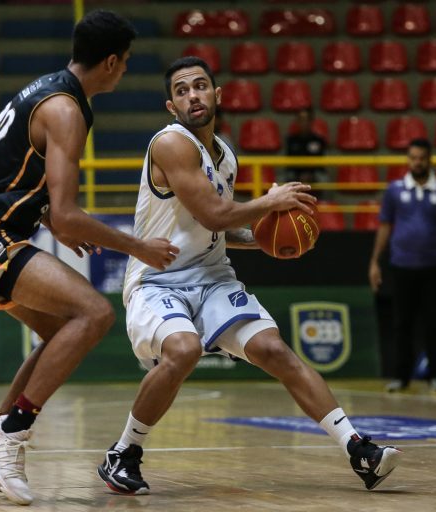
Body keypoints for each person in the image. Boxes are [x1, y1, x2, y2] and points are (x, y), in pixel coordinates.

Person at [96, 56, 402, 496]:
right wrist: (270, 202)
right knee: (183, 349)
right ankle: (124, 452)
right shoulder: (170, 143)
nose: (192, 95)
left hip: (212, 276)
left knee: (274, 350)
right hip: (158, 279)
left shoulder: (225, 156)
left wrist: (269, 242)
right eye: (181, 91)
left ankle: (359, 451)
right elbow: (214, 213)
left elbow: (216, 229)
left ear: (217, 95)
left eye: (200, 86)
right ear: (171, 106)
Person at [0, 11, 179, 505]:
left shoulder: (48, 91)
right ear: (110, 62)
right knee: (95, 313)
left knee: (60, 333)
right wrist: (139, 247)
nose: (125, 70)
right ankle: (11, 431)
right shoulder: (67, 110)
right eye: (125, 61)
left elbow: (20, 178)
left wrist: (49, 218)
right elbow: (70, 213)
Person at [368, 138, 436, 393]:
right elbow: (385, 226)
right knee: (402, 323)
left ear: (429, 159)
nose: (417, 162)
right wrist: (375, 261)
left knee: (433, 322)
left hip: (435, 266)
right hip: (402, 265)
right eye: (413, 158)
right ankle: (402, 377)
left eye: (421, 158)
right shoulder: (394, 190)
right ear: (408, 160)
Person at [285, 107, 327, 191]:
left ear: (311, 121)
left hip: (314, 173)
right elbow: (289, 162)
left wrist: (310, 174)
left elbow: (320, 162)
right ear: (297, 121)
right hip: (295, 173)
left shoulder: (318, 140)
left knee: (325, 180)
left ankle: (327, 200)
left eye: (307, 119)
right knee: (282, 179)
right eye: (301, 119)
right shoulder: (291, 140)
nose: (304, 123)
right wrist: (300, 174)